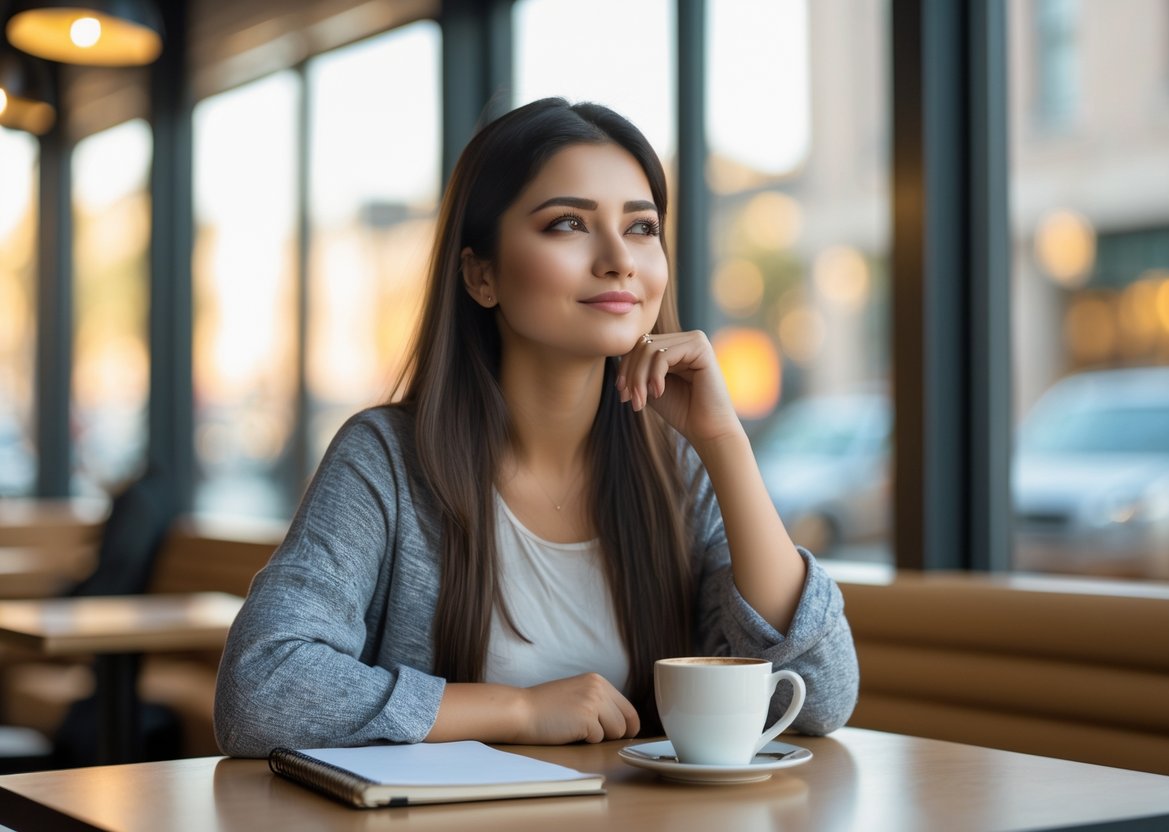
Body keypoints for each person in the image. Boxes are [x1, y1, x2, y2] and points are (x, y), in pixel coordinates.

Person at [214, 98, 859, 757]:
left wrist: (723, 445)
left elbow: (816, 697)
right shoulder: (387, 460)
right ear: (480, 274)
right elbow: (260, 692)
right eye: (568, 224)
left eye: (640, 229)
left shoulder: (679, 466)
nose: (617, 260)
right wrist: (516, 710)